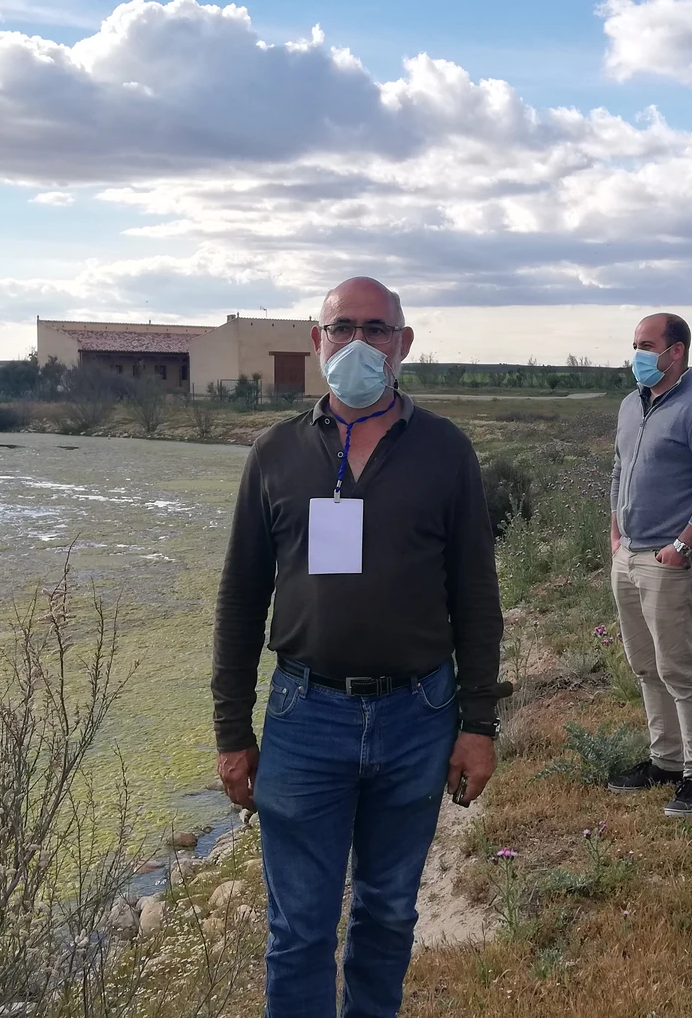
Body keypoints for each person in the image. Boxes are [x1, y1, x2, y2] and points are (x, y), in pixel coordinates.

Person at [211, 276, 509, 1018]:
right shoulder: (275, 454)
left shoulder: (445, 452)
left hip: (418, 716)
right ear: (318, 343)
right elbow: (241, 599)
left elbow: (476, 595)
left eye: (376, 329)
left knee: (387, 914)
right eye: (341, 327)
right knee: (299, 928)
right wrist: (230, 731)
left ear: (403, 345)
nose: (358, 343)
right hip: (304, 717)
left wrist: (478, 724)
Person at [606, 313, 692, 816]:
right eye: (634, 344)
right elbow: (619, 469)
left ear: (676, 351)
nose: (636, 354)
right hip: (630, 553)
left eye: (646, 345)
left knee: (679, 669)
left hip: (671, 560)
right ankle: (664, 760)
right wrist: (615, 530)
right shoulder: (630, 405)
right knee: (645, 665)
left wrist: (684, 544)